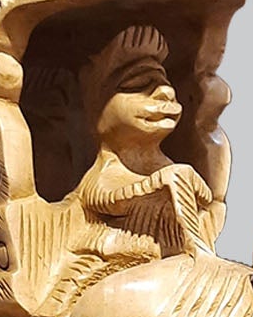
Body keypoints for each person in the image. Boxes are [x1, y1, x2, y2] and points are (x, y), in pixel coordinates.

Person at [74, 25, 215, 258]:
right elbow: (104, 197)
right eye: (138, 85)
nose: (166, 92)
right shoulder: (105, 172)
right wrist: (158, 184)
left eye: (166, 82)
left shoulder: (170, 167)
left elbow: (205, 199)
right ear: (93, 107)